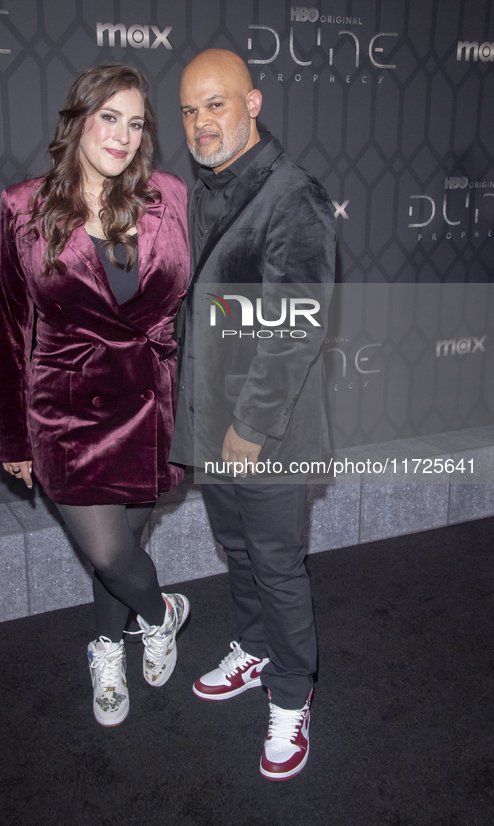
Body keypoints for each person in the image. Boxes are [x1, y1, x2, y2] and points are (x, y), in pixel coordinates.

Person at [0, 64, 190, 728]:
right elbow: (7, 326)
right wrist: (14, 437)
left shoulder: (167, 197)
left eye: (135, 123)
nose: (123, 135)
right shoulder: (23, 207)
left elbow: (189, 310)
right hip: (65, 411)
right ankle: (161, 615)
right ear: (77, 120)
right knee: (108, 553)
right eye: (109, 117)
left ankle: (107, 646)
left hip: (148, 406)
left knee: (124, 551)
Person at [170, 49, 336, 780]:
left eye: (215, 103)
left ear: (253, 102)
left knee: (275, 564)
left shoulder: (290, 194)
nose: (201, 121)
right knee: (238, 554)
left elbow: (297, 326)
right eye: (188, 109)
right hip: (213, 426)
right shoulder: (201, 191)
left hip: (267, 432)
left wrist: (251, 428)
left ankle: (291, 696)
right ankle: (255, 648)